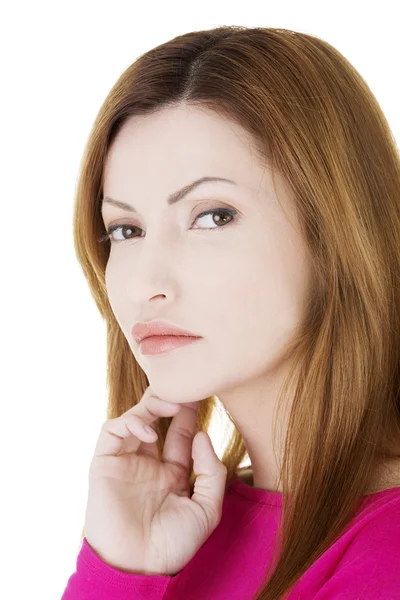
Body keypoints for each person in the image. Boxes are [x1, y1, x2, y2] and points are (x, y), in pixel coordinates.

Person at [61, 25, 400, 600]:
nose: (147, 283)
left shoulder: (385, 557)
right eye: (126, 229)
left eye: (213, 216)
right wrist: (120, 568)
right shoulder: (175, 528)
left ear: (337, 232)